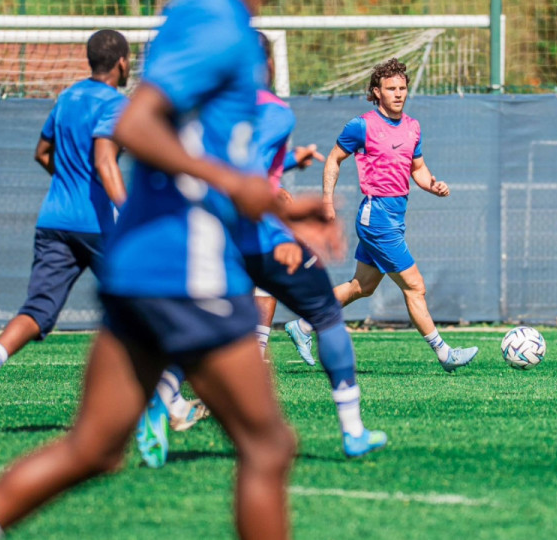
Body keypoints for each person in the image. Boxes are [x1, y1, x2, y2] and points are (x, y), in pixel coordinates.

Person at [0, 1, 340, 538]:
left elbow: (195, 154)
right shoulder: (218, 25)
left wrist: (278, 209)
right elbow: (138, 125)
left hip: (144, 268)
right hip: (187, 273)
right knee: (268, 445)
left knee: (93, 449)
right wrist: (236, 186)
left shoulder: (198, 21)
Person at [135, 32, 386, 469]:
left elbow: (218, 165)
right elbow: (244, 175)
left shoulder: (205, 110)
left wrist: (288, 162)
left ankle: (161, 399)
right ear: (266, 65)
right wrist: (291, 216)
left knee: (208, 330)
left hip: (213, 240)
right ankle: (353, 431)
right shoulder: (274, 111)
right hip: (262, 237)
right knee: (327, 316)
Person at [0, 29, 208, 430]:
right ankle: (172, 403)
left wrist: (69, 184)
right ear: (123, 63)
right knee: (157, 304)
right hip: (98, 224)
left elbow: (43, 152)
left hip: (54, 220)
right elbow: (106, 161)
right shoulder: (115, 105)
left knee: (38, 310)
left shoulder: (67, 98)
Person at [285, 58, 479, 373]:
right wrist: (327, 201)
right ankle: (445, 354)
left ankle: (304, 326)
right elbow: (334, 159)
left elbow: (417, 168)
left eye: (402, 88)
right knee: (415, 286)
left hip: (394, 217)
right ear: (377, 92)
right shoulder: (361, 125)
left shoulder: (413, 126)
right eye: (391, 89)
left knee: (363, 286)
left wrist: (433, 185)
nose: (399, 94)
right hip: (377, 219)